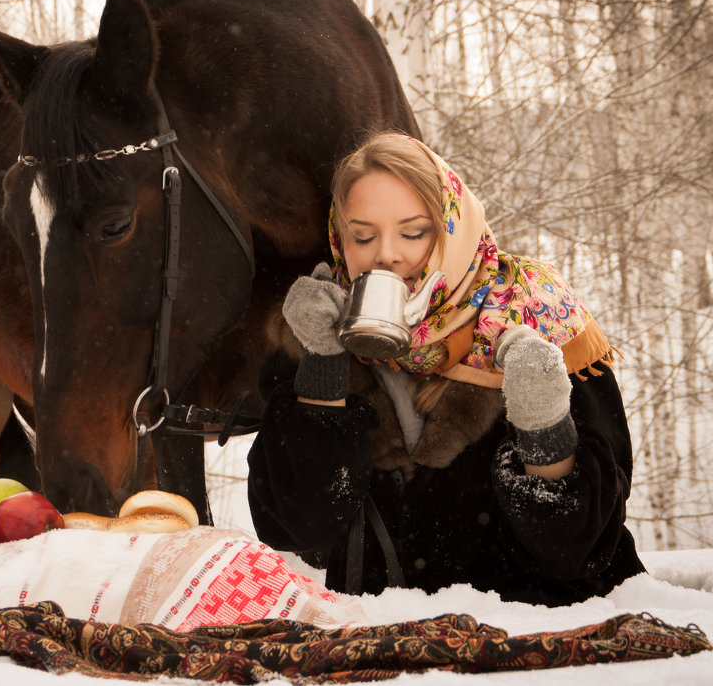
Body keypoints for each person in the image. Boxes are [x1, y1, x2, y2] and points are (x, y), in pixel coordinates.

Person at [248, 132, 645, 606]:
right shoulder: (317, 333)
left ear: (453, 231)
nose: (386, 255)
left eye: (413, 232)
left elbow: (580, 548)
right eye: (363, 235)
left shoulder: (542, 321)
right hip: (383, 655)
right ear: (339, 241)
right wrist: (322, 366)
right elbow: (297, 528)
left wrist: (544, 426)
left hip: (541, 639)